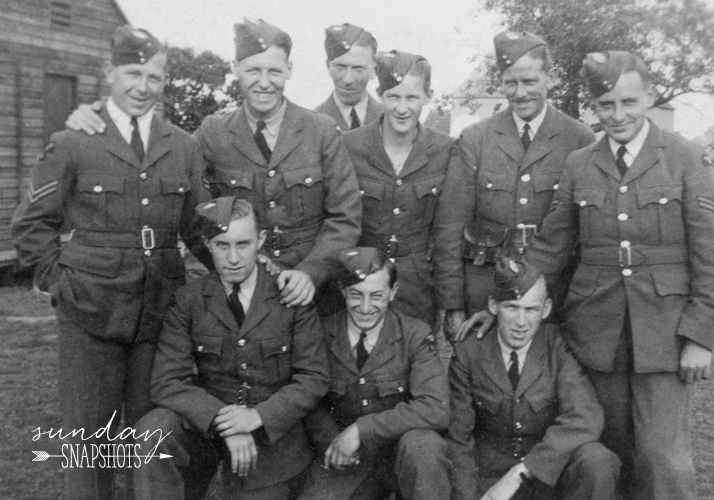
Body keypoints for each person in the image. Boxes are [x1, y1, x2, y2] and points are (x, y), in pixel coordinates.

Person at [521, 51, 714, 500]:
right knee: (609, 451)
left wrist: (700, 336)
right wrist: (508, 295)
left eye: (628, 103)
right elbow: (551, 246)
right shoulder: (580, 163)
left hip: (666, 334)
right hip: (596, 332)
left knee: (661, 457)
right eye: (605, 106)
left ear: (650, 98)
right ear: (593, 109)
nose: (617, 116)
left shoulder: (685, 158)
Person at [12, 25, 206, 500]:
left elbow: (197, 227)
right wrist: (57, 281)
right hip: (90, 308)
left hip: (158, 309)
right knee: (88, 440)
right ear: (109, 73)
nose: (143, 86)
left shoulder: (182, 145)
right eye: (133, 73)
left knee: (150, 435)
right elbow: (32, 224)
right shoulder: (75, 139)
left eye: (155, 77)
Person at [62, 18, 362, 311]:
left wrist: (311, 272)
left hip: (312, 296)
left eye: (274, 71)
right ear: (236, 70)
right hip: (239, 297)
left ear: (289, 70)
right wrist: (103, 118)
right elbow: (164, 180)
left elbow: (345, 216)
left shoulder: (320, 131)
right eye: (253, 70)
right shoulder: (212, 132)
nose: (264, 82)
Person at [133, 197, 329, 500]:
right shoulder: (190, 299)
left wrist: (256, 417)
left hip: (271, 439)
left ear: (261, 240)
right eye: (223, 245)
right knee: (153, 431)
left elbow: (313, 378)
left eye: (243, 244)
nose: (234, 257)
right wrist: (223, 420)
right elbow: (166, 382)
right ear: (207, 244)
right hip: (208, 432)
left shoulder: (290, 296)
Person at [433, 31, 595, 341]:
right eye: (510, 83)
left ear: (551, 77)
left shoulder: (579, 140)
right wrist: (453, 304)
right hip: (484, 290)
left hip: (551, 295)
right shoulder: (476, 139)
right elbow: (449, 227)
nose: (519, 93)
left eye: (530, 82)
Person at [447, 258, 620, 500]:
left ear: (546, 308)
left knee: (597, 460)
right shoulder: (469, 352)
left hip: (546, 475)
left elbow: (585, 416)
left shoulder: (556, 345)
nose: (521, 322)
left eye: (531, 310)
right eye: (511, 307)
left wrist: (523, 470)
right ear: (493, 305)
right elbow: (459, 438)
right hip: (490, 483)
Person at [299, 247, 450, 500]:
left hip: (401, 454)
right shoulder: (322, 333)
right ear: (343, 290)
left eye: (377, 296)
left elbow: (436, 408)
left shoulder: (415, 334)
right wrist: (331, 441)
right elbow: (309, 399)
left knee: (424, 447)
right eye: (357, 295)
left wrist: (362, 430)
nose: (366, 307)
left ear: (393, 292)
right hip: (347, 456)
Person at [344, 49, 452, 329]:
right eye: (393, 96)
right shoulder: (349, 146)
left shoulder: (447, 151)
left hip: (416, 287)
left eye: (412, 98)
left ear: (428, 96)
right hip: (361, 282)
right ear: (380, 93)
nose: (402, 108)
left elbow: (448, 230)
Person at [314, 23, 383, 131]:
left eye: (358, 69)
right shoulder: (310, 124)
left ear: (374, 69)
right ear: (328, 66)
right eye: (340, 67)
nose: (348, 79)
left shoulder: (391, 120)